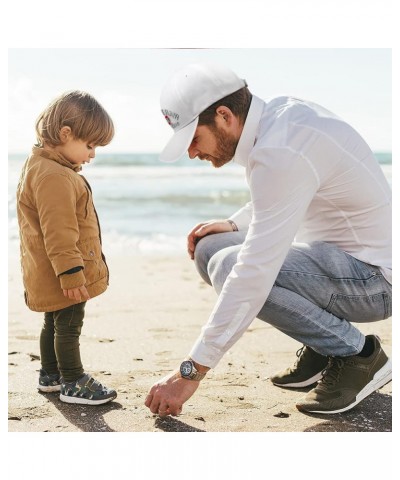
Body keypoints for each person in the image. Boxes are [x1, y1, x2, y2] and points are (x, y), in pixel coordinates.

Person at [145, 62, 392, 417]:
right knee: (210, 248)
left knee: (231, 265)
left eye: (194, 139)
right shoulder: (279, 120)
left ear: (224, 116)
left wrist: (191, 371)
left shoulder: (281, 150)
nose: (192, 153)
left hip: (375, 281)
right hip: (340, 263)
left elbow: (254, 273)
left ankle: (357, 355)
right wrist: (233, 223)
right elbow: (291, 187)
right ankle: (321, 345)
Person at [16, 90, 117, 405]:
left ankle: (51, 375)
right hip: (63, 270)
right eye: (89, 145)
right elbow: (59, 231)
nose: (92, 154)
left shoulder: (42, 167)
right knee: (69, 323)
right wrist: (73, 273)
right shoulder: (54, 176)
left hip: (46, 269)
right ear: (65, 134)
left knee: (54, 320)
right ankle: (72, 380)